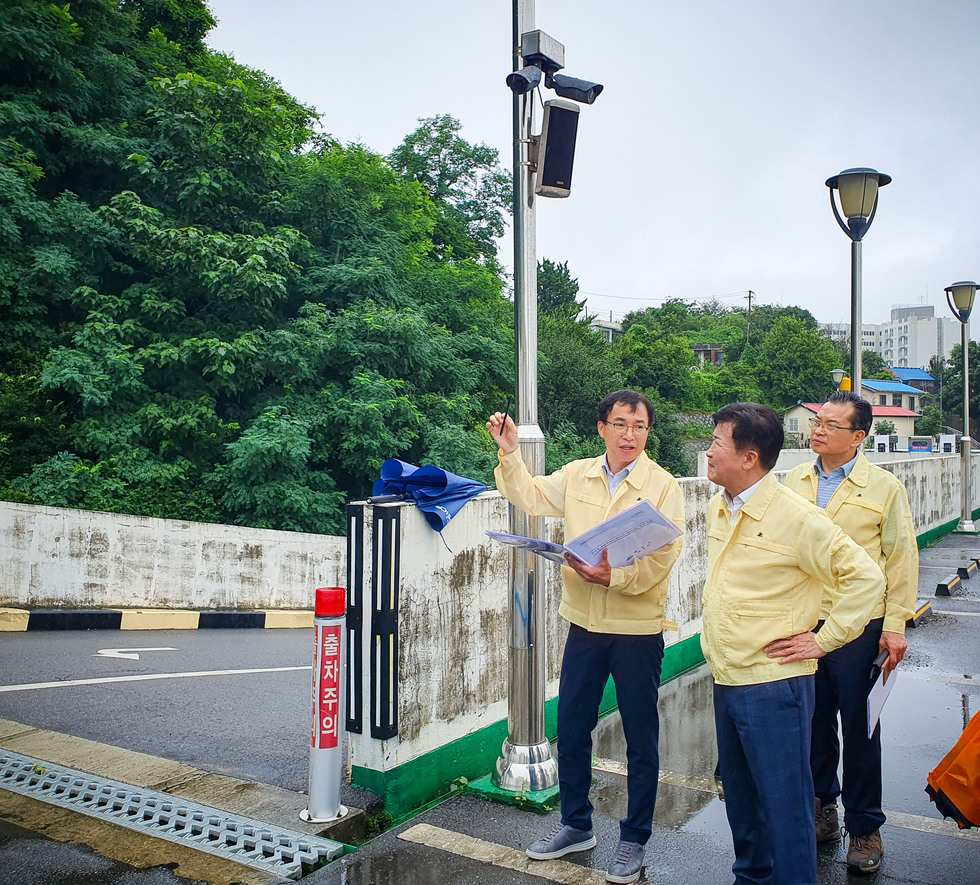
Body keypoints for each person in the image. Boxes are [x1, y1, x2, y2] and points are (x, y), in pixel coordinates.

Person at [487, 390, 684, 885]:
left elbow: (664, 558)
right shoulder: (578, 474)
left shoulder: (662, 486)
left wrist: (613, 578)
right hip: (584, 624)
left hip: (636, 630)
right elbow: (528, 495)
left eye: (639, 427)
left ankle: (634, 840)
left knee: (641, 736)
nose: (629, 435)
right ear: (602, 428)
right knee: (572, 726)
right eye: (620, 424)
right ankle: (576, 825)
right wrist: (509, 453)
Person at [701, 403, 881, 885]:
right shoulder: (721, 504)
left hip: (775, 687)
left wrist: (824, 640)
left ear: (749, 457)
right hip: (728, 679)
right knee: (742, 807)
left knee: (786, 812)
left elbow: (866, 578)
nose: (708, 451)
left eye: (717, 442)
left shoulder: (796, 517)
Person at [785, 392, 917, 874]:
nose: (818, 430)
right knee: (813, 719)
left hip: (860, 623)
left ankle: (865, 827)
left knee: (861, 727)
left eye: (831, 425)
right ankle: (823, 809)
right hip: (804, 621)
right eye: (817, 421)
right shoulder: (793, 480)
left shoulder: (883, 487)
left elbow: (900, 559)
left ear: (858, 437)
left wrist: (896, 625)